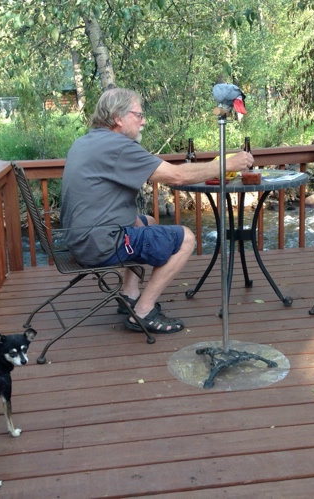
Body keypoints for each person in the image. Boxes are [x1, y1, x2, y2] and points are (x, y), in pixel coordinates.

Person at [61, 88, 253, 334]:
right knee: (185, 238)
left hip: (79, 240)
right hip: (100, 245)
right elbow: (177, 176)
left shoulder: (86, 141)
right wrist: (227, 163)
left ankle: (129, 296)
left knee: (149, 221)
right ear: (118, 118)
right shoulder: (118, 146)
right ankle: (143, 312)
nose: (143, 121)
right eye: (138, 115)